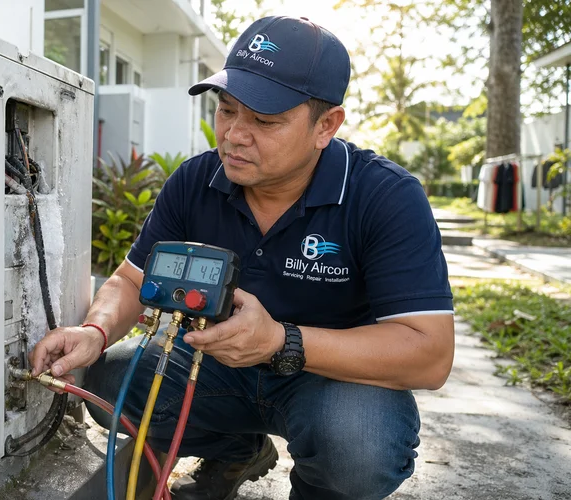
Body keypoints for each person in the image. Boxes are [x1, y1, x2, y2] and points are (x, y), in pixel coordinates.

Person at [30, 15, 454, 500]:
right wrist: (95, 330)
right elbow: (130, 281)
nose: (234, 134)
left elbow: (431, 353)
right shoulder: (195, 182)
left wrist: (280, 342)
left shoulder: (384, 196)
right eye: (226, 110)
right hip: (213, 364)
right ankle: (236, 451)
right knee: (109, 381)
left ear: (326, 126)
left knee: (361, 449)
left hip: (330, 379)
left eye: (264, 121)